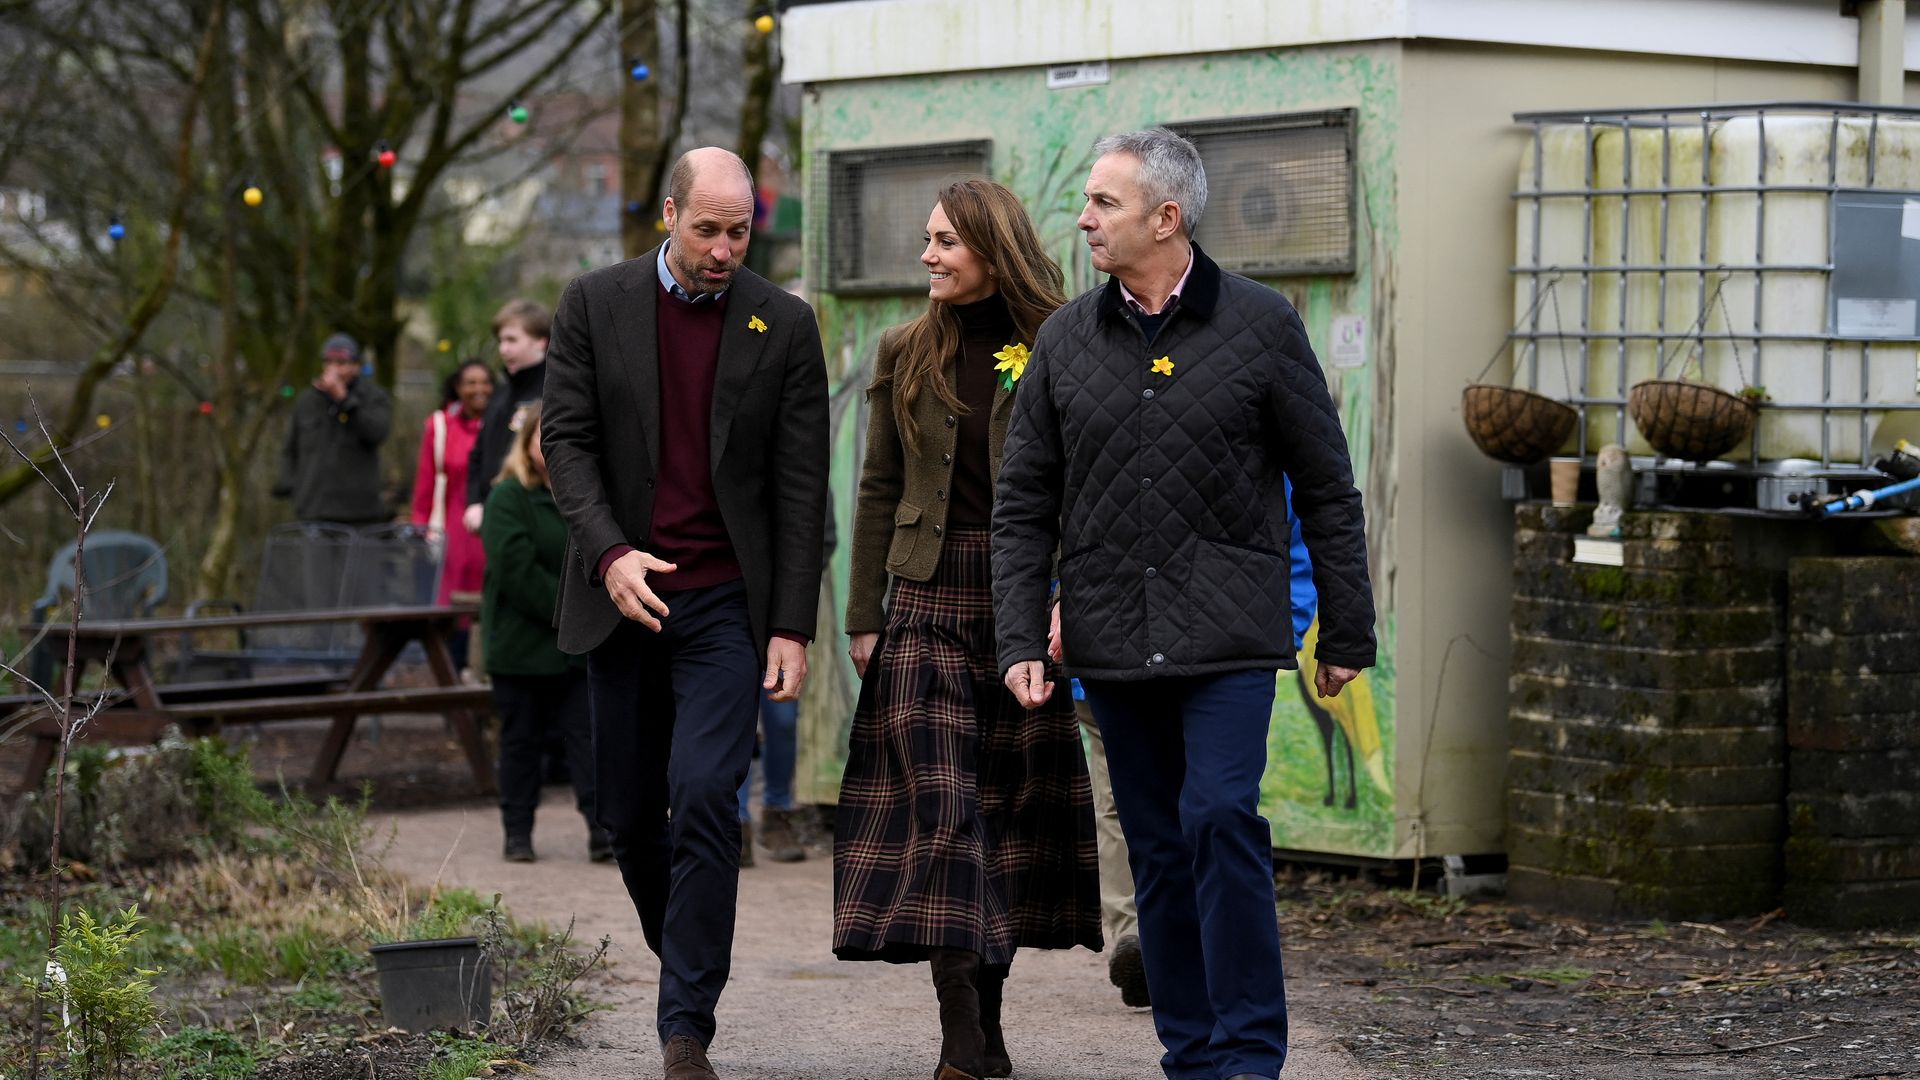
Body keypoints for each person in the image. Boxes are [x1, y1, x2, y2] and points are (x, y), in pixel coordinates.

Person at [991, 128, 1377, 1080]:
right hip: (1113, 639)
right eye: (1086, 200)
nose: (1083, 219)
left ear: (1166, 218)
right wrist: (1018, 636)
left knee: (1217, 819)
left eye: (1103, 204)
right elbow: (1024, 503)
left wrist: (1348, 628)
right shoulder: (1066, 341)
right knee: (1158, 849)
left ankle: (1249, 1054)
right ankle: (1193, 1054)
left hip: (1232, 636)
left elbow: (1326, 486)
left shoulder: (1260, 326)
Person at [542, 146, 829, 1080]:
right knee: (628, 815)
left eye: (739, 229)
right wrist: (611, 551)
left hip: (723, 607)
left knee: (709, 794)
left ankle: (685, 1026)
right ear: (668, 213)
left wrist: (791, 626)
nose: (722, 247)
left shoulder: (782, 323)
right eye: (705, 228)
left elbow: (799, 486)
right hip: (622, 594)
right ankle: (689, 961)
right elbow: (566, 443)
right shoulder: (595, 301)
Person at [837, 177, 1101, 1080]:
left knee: (1006, 823)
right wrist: (863, 616)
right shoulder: (903, 348)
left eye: (946, 240)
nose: (927, 256)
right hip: (924, 602)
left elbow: (1090, 485)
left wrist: (1072, 598)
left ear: (992, 247)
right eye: (927, 238)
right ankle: (959, 1041)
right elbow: (877, 486)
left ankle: (987, 1031)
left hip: (1024, 604)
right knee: (944, 815)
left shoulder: (1063, 343)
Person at [1062, 479, 1318, 1011]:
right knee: (1133, 800)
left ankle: (1148, 931)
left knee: (1185, 802)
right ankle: (1151, 939)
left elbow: (1297, 538)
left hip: (1215, 658)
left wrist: (1273, 633)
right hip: (1113, 663)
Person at [478, 403, 605, 863]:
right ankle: (517, 832)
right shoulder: (508, 498)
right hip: (522, 648)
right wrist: (572, 611)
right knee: (521, 742)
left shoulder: (590, 500)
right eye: (543, 437)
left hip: (577, 650)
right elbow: (515, 570)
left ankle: (601, 832)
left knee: (587, 742)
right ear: (528, 444)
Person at [410, 358, 494, 668]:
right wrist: (421, 525)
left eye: (485, 382)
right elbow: (426, 480)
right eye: (470, 383)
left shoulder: (502, 425)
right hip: (452, 530)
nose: (478, 389)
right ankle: (453, 672)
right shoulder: (440, 426)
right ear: (458, 388)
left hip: (491, 527)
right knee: (452, 603)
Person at [272, 332, 394, 526]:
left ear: (356, 366)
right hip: (314, 510)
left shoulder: (373, 397)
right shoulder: (308, 400)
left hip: (359, 513)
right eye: (330, 362)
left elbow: (377, 433)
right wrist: (293, 488)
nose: (335, 370)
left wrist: (345, 401)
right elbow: (290, 449)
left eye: (342, 363)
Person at [463, 299, 551, 535]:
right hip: (491, 515)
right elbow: (478, 453)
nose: (503, 349)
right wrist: (474, 502)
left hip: (532, 519)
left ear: (540, 342)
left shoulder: (552, 392)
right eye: (501, 341)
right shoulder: (501, 394)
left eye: (512, 340)